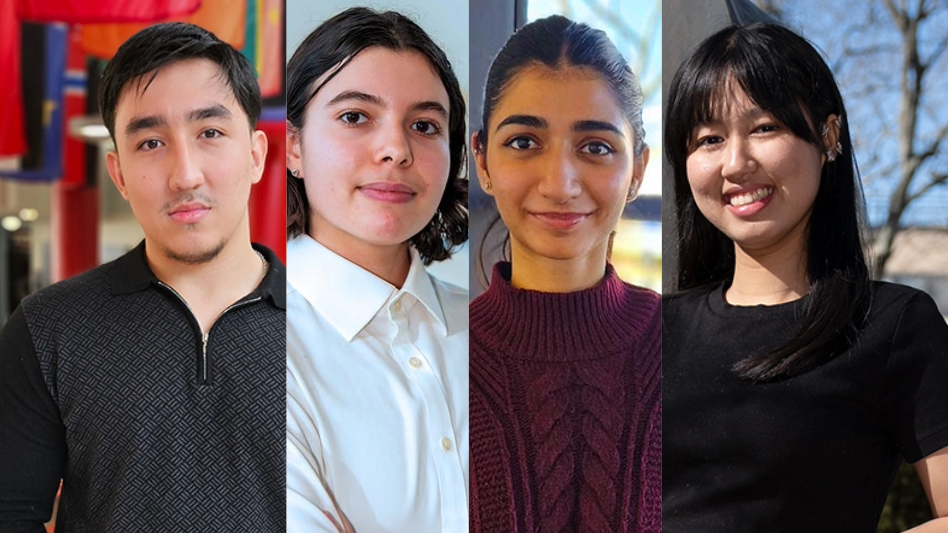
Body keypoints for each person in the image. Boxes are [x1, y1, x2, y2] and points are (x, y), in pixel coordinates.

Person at [663, 22, 948, 532]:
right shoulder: (651, 330)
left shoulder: (893, 325)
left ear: (828, 136)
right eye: (709, 139)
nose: (735, 163)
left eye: (764, 127)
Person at [0, 22, 285, 532]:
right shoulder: (48, 330)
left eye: (210, 133)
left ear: (256, 155)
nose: (185, 175)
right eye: (151, 143)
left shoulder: (334, 325)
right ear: (119, 175)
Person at [469, 15, 661, 533]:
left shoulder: (692, 348)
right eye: (524, 142)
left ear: (637, 171)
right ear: (481, 160)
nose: (560, 184)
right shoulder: (430, 359)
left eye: (596, 147)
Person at [284, 7, 469, 532]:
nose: (396, 150)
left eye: (425, 125)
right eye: (355, 117)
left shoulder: (493, 333)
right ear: (293, 145)